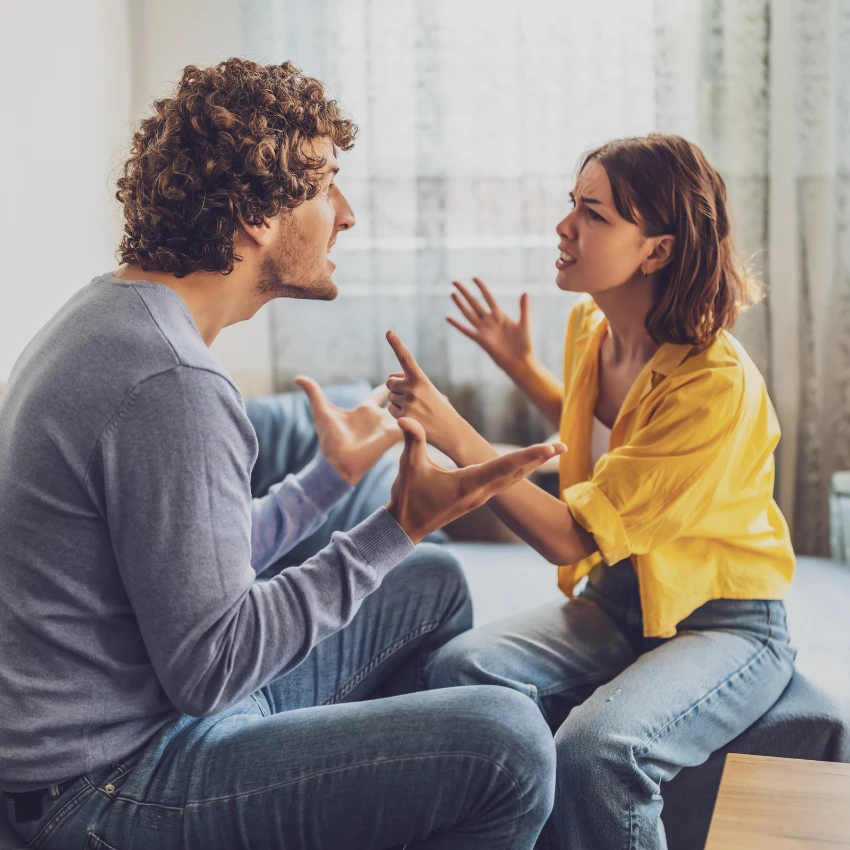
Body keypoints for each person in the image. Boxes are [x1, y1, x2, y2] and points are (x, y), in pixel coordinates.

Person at [0, 58, 565, 850]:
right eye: (326, 185)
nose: (347, 213)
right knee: (507, 744)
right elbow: (212, 666)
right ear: (257, 215)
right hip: (103, 788)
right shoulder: (170, 382)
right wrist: (395, 524)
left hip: (130, 728)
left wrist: (324, 482)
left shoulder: (114, 316)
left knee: (429, 584)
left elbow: (189, 567)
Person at [384, 134, 797, 850]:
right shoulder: (592, 327)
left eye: (594, 214)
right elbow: (610, 440)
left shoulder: (714, 385)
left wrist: (459, 434)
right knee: (460, 667)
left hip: (724, 622)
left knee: (598, 751)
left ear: (657, 250)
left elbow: (573, 534)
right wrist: (521, 366)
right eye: (571, 205)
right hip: (617, 598)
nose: (564, 226)